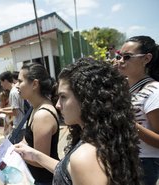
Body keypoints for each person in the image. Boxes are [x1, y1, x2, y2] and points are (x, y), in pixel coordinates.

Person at [15, 58, 143, 185]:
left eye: (63, 97)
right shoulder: (104, 138)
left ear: (86, 98)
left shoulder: (83, 157)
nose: (58, 105)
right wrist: (35, 155)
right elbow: (67, 173)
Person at [115, 35, 159, 185]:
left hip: (144, 162)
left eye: (127, 57)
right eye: (119, 56)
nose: (120, 61)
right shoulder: (121, 87)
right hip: (122, 156)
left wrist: (128, 122)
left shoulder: (155, 91)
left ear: (146, 59)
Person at [16, 63, 60, 185]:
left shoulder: (43, 115)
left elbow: (41, 160)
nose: (16, 86)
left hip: (44, 180)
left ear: (35, 84)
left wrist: (14, 154)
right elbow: (26, 141)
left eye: (20, 81)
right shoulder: (34, 107)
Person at [0, 71, 25, 143]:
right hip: (23, 124)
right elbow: (15, 108)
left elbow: (15, 112)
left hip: (20, 126)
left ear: (6, 81)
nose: (1, 85)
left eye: (1, 82)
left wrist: (0, 111)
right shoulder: (16, 89)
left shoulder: (13, 92)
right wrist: (1, 109)